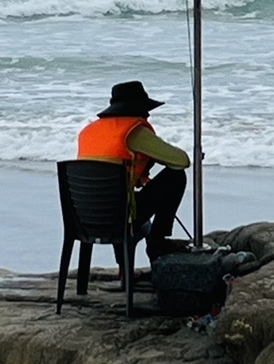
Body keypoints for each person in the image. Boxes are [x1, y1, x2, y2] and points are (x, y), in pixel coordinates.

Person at [76, 80, 190, 263]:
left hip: (84, 215)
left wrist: (138, 173)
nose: (147, 117)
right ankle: (157, 242)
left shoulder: (89, 131)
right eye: (146, 111)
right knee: (175, 177)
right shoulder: (133, 132)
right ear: (138, 110)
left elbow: (104, 169)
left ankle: (124, 271)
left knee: (116, 196)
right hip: (120, 216)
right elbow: (181, 161)